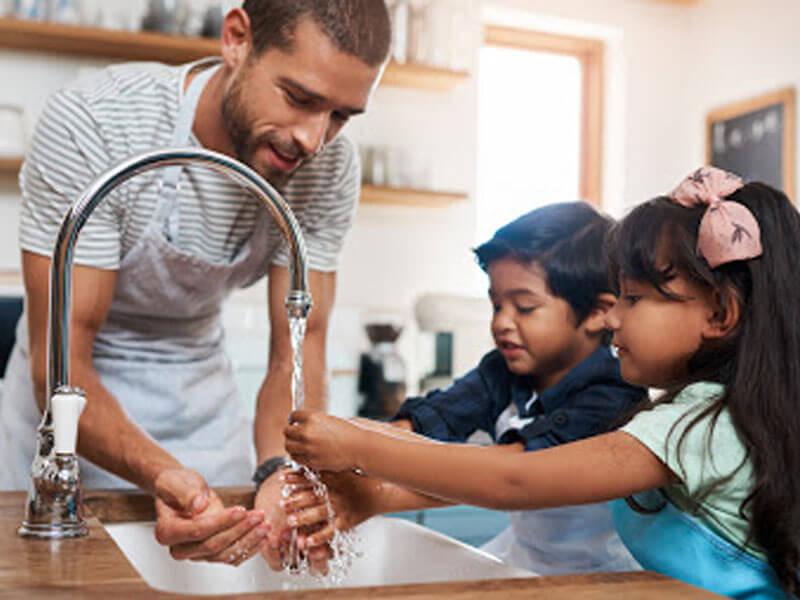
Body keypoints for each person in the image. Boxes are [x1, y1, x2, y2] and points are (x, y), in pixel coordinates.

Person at [0, 0, 390, 571]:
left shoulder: (328, 168)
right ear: (237, 39)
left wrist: (279, 472)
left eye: (340, 116)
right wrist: (163, 473)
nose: (313, 138)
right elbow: (64, 368)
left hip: (204, 413)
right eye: (300, 98)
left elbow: (298, 355)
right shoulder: (99, 122)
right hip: (64, 425)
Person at [285, 168, 800, 599]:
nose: (615, 318)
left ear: (720, 314)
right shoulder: (713, 415)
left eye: (634, 299)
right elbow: (445, 437)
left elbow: (516, 480)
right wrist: (368, 479)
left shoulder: (693, 426)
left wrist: (358, 444)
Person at [281, 202, 647, 575]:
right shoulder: (503, 371)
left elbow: (510, 475)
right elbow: (428, 423)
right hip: (525, 557)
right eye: (496, 305)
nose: (502, 322)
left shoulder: (612, 393)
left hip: (604, 575)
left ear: (600, 313)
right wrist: (339, 447)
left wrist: (361, 458)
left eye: (523, 307)